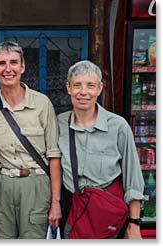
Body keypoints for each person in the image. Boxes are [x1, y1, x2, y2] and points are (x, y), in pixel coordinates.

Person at [0, 41, 62, 239]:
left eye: (14, 62)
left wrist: (55, 203)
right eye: (2, 63)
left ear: (22, 67)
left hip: (36, 185)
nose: (8, 69)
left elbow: (54, 155)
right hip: (3, 185)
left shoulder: (42, 104)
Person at [57, 60, 145, 239]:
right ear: (68, 88)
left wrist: (134, 224)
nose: (83, 92)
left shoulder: (118, 126)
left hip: (106, 212)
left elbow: (133, 179)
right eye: (77, 85)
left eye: (90, 86)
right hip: (72, 209)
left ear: (100, 88)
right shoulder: (59, 123)